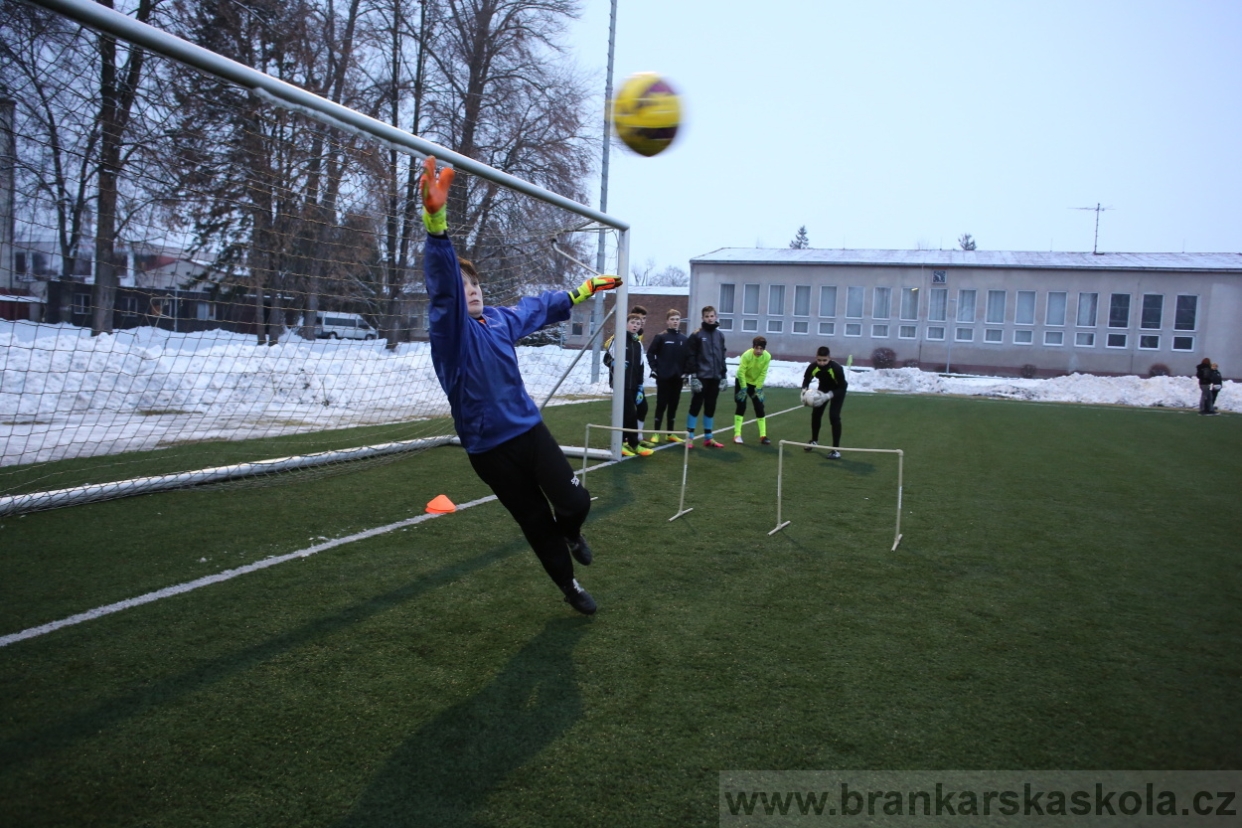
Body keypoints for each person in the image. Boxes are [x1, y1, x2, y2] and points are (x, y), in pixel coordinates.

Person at [419, 156, 620, 615]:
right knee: (533, 521)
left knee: (574, 501)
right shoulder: (451, 334)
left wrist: (580, 291)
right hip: (489, 450)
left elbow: (534, 308)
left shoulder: (498, 321)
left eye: (475, 283)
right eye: (462, 283)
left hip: (529, 432)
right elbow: (444, 289)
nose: (471, 290)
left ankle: (572, 531)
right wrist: (436, 226)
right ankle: (570, 588)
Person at [682, 305, 727, 448]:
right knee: (696, 405)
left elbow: (722, 356)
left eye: (712, 316)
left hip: (715, 377)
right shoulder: (696, 335)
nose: (709, 319)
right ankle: (689, 436)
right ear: (702, 318)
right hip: (701, 376)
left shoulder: (720, 335)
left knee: (711, 406)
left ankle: (708, 437)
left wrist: (723, 375)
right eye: (707, 316)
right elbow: (690, 356)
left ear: (716, 317)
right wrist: (693, 376)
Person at [613, 312, 654, 456]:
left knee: (629, 414)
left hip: (632, 384)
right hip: (620, 384)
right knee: (630, 414)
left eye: (638, 324)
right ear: (626, 324)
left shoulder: (638, 344)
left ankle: (624, 442)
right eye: (632, 322)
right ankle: (633, 444)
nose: (635, 325)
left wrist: (640, 385)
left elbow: (641, 366)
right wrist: (614, 363)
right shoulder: (618, 339)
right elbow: (607, 357)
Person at [646, 308, 689, 443]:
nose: (675, 322)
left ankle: (670, 433)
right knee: (661, 404)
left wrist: (686, 372)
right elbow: (650, 353)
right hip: (664, 377)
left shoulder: (684, 339)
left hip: (678, 378)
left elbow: (688, 358)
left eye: (677, 319)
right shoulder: (661, 337)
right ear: (667, 321)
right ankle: (656, 433)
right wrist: (655, 368)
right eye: (672, 319)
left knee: (673, 405)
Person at [801, 345, 848, 459]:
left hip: (837, 391)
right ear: (816, 358)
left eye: (824, 360)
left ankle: (836, 450)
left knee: (834, 417)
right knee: (816, 414)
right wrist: (804, 392)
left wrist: (828, 396)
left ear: (829, 358)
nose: (821, 363)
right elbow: (806, 380)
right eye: (819, 360)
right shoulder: (813, 367)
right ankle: (814, 441)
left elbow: (843, 387)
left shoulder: (836, 368)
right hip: (822, 389)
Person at [733, 336, 772, 445]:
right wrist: (744, 387)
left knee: (759, 407)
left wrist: (758, 388)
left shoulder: (767, 357)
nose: (759, 351)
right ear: (753, 347)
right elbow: (741, 372)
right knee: (741, 406)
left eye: (761, 349)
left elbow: (763, 373)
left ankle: (763, 436)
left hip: (755, 384)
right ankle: (737, 434)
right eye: (757, 348)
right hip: (742, 382)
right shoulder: (746, 355)